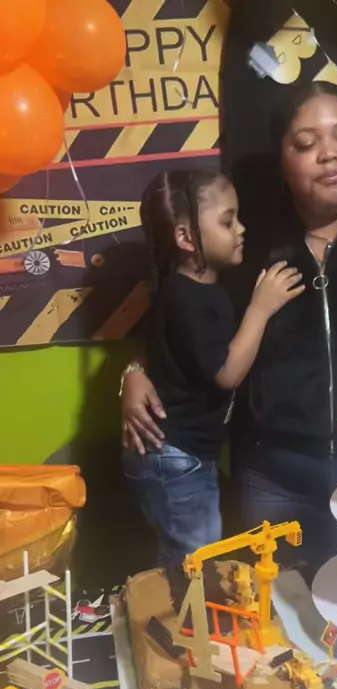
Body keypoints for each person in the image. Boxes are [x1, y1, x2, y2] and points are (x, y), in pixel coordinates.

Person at [122, 83, 337, 578]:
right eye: (307, 144)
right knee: (281, 612)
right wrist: (135, 369)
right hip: (274, 478)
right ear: (283, 161)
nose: (329, 154)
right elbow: (184, 309)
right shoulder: (242, 236)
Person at [122, 168, 303, 569]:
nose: (241, 229)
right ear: (186, 237)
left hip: (181, 456)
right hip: (176, 457)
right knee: (194, 563)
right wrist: (261, 308)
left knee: (190, 557)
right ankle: (181, 612)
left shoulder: (197, 290)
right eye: (227, 221)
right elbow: (226, 373)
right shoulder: (184, 296)